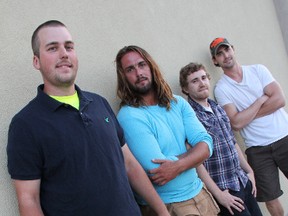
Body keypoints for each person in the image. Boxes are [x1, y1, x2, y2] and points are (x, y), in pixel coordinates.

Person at [6, 20, 170, 216]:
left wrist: (163, 212)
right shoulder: (25, 124)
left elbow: (129, 165)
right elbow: (28, 200)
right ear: (36, 61)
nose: (64, 53)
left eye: (69, 46)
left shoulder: (99, 103)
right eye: (52, 48)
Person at [115, 45, 220, 216]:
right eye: (130, 69)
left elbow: (207, 144)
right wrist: (192, 153)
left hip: (201, 194)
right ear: (124, 77)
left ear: (151, 66)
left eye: (142, 65)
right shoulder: (129, 116)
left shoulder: (178, 102)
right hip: (170, 205)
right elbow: (157, 171)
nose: (138, 73)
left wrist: (177, 164)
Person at [209, 37, 288, 216]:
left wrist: (247, 115)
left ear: (233, 49)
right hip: (257, 149)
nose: (225, 55)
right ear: (215, 61)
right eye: (219, 54)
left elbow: (279, 100)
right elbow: (236, 123)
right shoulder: (221, 89)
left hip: (284, 136)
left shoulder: (258, 70)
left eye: (227, 50)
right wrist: (261, 99)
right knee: (271, 199)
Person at [179, 62, 262, 215]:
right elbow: (195, 161)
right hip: (225, 191)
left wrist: (249, 172)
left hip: (242, 182)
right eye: (194, 81)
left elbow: (232, 142)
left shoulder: (217, 107)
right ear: (185, 88)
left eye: (203, 78)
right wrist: (219, 195)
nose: (201, 83)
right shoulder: (190, 116)